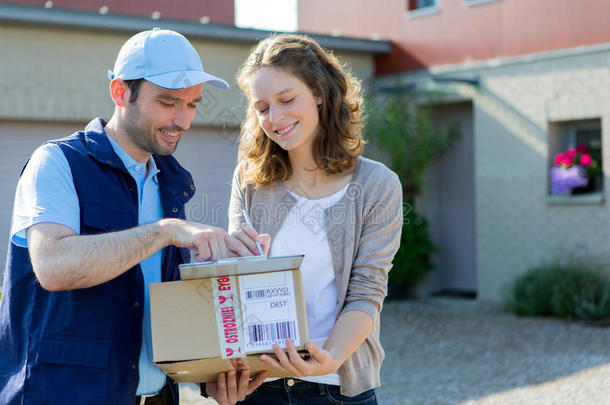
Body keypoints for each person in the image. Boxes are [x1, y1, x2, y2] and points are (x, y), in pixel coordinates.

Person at [0, 28, 268, 405]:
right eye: (168, 102)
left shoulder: (171, 182)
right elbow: (54, 266)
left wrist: (213, 376)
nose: (184, 120)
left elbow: (165, 303)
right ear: (120, 93)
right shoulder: (58, 163)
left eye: (192, 104)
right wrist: (164, 232)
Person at [228, 34, 403, 404]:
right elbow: (231, 288)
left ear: (320, 93)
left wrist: (331, 358)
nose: (274, 118)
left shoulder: (377, 186)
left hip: (338, 387)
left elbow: (368, 291)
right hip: (260, 387)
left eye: (287, 100)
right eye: (261, 108)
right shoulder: (250, 180)